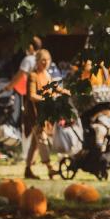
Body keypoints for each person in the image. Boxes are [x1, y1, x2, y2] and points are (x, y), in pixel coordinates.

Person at [24, 48, 64, 179]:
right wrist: (46, 99)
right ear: (37, 61)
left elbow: (55, 87)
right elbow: (31, 96)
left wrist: (65, 92)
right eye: (43, 60)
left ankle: (28, 170)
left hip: (46, 114)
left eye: (47, 60)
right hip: (35, 114)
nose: (45, 63)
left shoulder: (47, 75)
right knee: (42, 140)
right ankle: (50, 168)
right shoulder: (33, 76)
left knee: (35, 144)